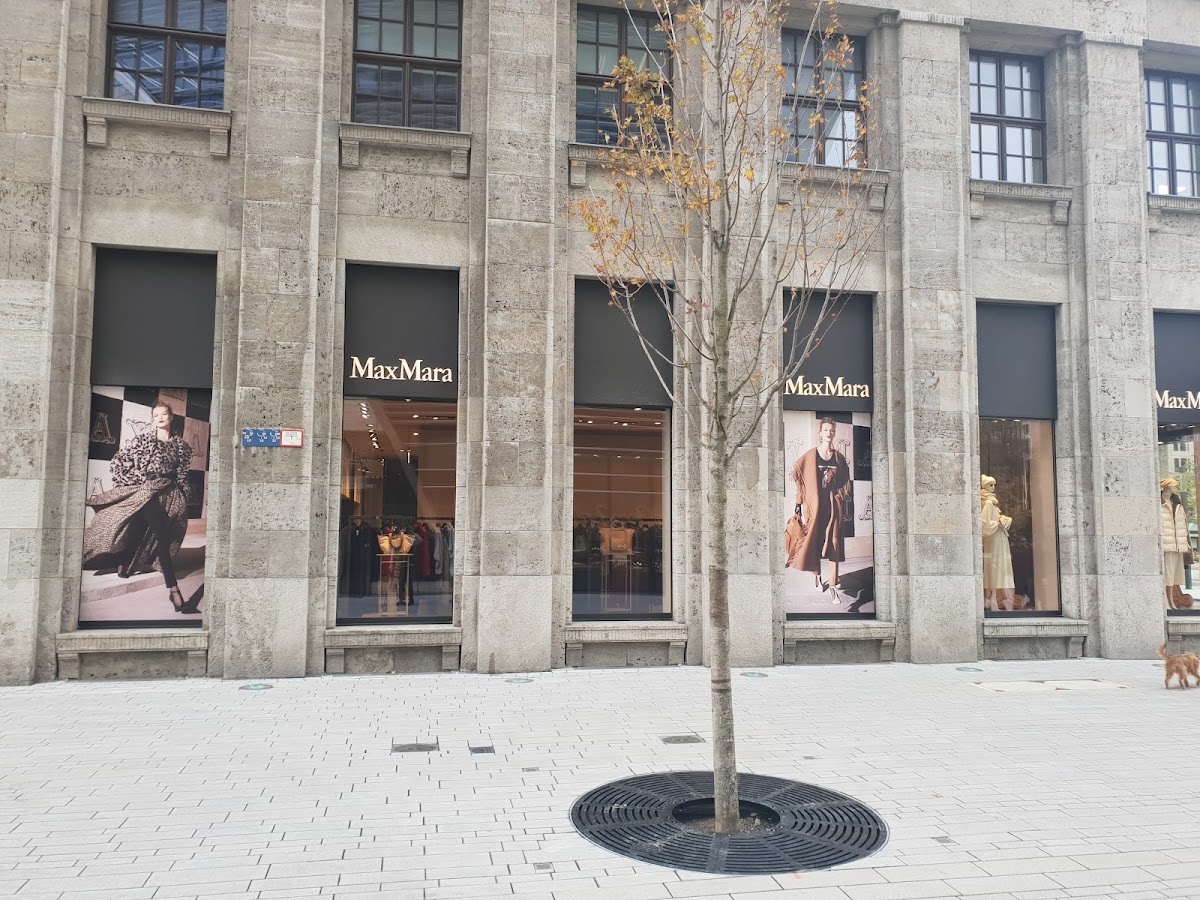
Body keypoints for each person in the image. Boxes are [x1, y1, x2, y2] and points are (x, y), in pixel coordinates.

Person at [83, 402, 195, 614]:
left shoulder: (181, 446)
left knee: (139, 528)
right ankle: (174, 592)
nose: (160, 417)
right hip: (148, 491)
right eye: (156, 415)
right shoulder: (143, 440)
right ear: (153, 419)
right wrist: (141, 483)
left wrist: (182, 497)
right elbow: (119, 462)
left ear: (171, 417)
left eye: (164, 414)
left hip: (169, 494)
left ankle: (124, 564)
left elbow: (182, 475)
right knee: (161, 536)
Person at [787, 417, 851, 601]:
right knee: (815, 540)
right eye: (826, 430)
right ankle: (817, 575)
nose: (829, 433)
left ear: (834, 433)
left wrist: (839, 495)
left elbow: (844, 482)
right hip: (814, 506)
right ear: (820, 433)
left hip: (833, 505)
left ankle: (833, 586)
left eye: (832, 430)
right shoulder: (811, 455)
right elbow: (800, 480)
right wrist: (798, 504)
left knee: (834, 542)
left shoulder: (838, 457)